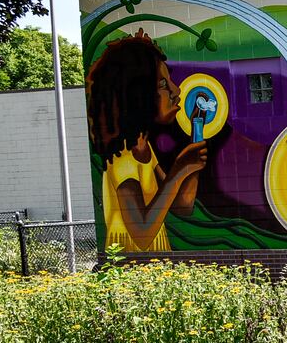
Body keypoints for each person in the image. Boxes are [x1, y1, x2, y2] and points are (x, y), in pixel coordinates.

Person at [85, 32, 208, 252]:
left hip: (154, 267)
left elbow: (182, 205)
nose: (176, 90)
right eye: (163, 84)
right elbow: (141, 233)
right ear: (137, 95)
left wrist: (192, 161)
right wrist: (179, 170)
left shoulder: (143, 148)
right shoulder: (122, 159)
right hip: (129, 267)